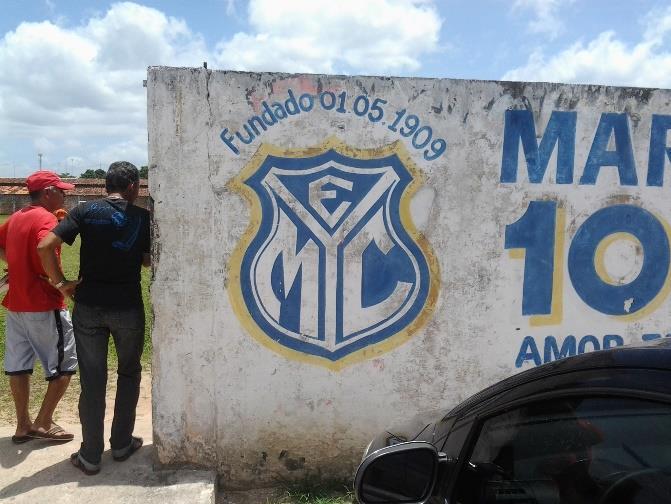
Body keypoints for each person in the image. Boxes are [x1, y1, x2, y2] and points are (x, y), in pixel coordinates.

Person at [38, 161, 150, 475]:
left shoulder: (84, 212)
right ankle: (122, 442)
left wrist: (61, 284)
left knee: (92, 379)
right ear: (133, 187)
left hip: (88, 306)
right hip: (127, 307)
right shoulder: (142, 217)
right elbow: (145, 262)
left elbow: (45, 245)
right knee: (128, 373)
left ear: (105, 185)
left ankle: (90, 455)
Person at [1, 170, 77, 444]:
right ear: (47, 192)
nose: (65, 195)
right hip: (43, 304)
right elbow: (45, 249)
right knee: (65, 366)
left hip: (16, 304)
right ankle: (44, 422)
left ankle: (23, 425)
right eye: (61, 190)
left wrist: (17, 266)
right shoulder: (46, 218)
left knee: (18, 367)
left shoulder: (18, 216)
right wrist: (61, 283)